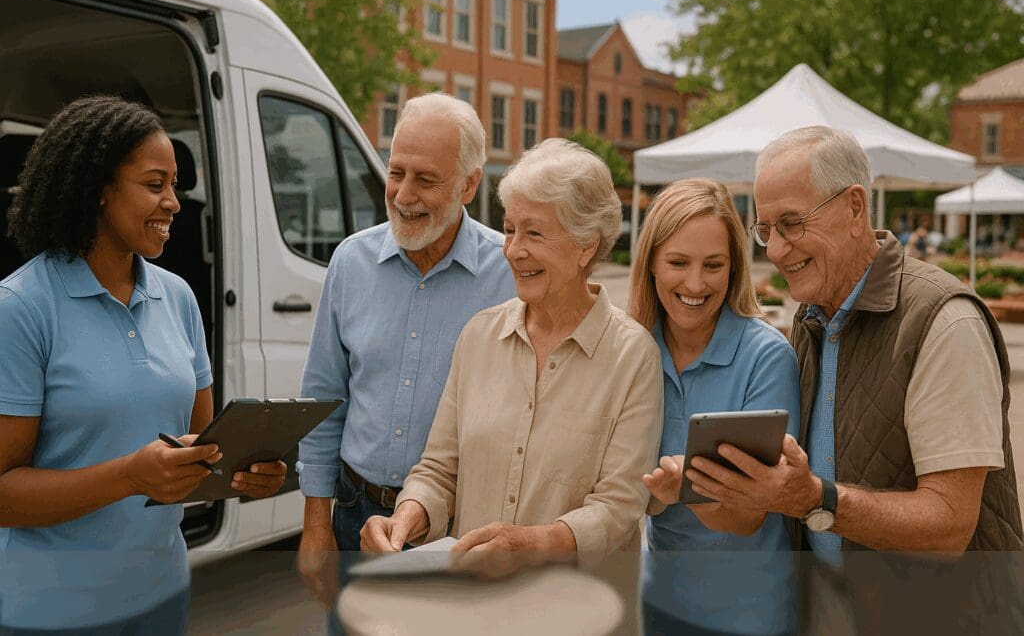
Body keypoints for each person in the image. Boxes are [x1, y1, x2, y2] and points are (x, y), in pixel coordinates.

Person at [686, 126, 1023, 631]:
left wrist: (813, 499)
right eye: (765, 229)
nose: (776, 250)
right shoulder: (811, 318)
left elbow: (951, 525)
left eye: (792, 223)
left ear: (855, 208)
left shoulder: (943, 320)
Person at [0, 95, 286, 634]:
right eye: (155, 185)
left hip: (161, 595)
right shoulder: (20, 308)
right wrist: (129, 476)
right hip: (49, 612)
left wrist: (243, 473)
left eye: (175, 185)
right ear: (98, 190)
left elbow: (201, 443)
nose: (174, 203)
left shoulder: (177, 297)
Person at [360, 138, 663, 579]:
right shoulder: (479, 336)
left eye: (534, 233)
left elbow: (620, 505)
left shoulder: (633, 357)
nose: (513, 250)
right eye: (509, 229)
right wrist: (407, 516)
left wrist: (535, 544)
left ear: (586, 246)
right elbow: (440, 470)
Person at [295, 93, 516, 600]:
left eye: (426, 180)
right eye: (396, 172)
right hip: (356, 517)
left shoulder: (509, 274)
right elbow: (323, 404)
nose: (402, 194)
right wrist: (315, 525)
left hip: (459, 526)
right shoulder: (351, 263)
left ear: (469, 183)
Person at [629, 180, 799, 636]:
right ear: (650, 264)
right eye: (678, 263)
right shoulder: (632, 351)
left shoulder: (766, 357)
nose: (695, 283)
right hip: (657, 604)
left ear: (734, 268)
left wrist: (685, 486)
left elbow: (749, 516)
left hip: (748, 615)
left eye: (714, 265)